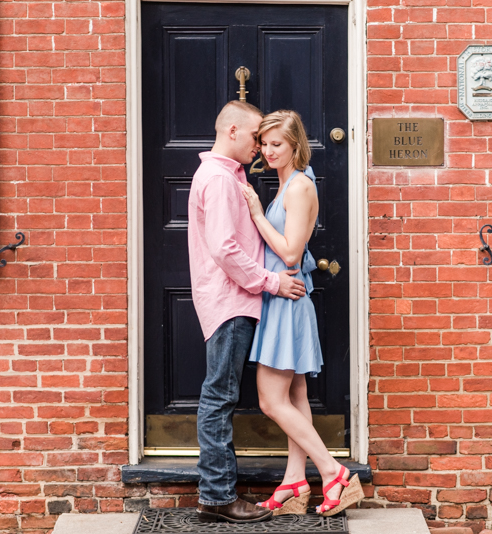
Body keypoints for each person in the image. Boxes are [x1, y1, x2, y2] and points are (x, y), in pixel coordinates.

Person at [239, 110, 365, 516]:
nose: (270, 151)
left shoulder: (298, 188)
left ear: (295, 144)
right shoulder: (288, 184)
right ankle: (294, 481)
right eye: (266, 144)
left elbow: (292, 252)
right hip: (284, 298)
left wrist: (257, 214)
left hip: (287, 302)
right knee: (294, 396)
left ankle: (334, 473)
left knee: (270, 401)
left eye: (278, 144)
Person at [187, 101, 307, 524]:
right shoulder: (219, 180)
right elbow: (224, 248)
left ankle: (217, 493)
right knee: (218, 396)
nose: (259, 146)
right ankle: (217, 496)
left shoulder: (228, 176)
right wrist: (272, 282)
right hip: (231, 301)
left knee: (221, 394)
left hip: (236, 299)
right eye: (255, 137)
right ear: (233, 131)